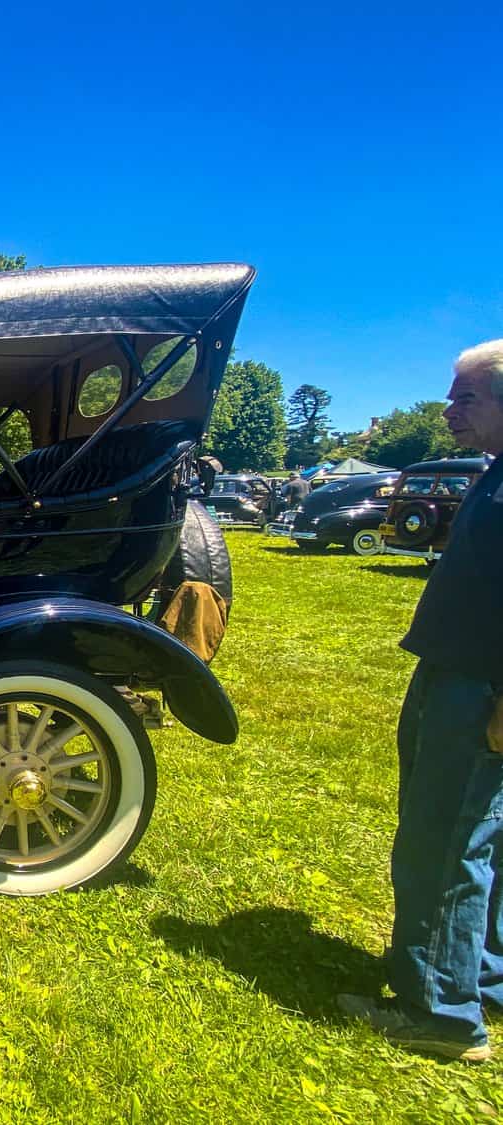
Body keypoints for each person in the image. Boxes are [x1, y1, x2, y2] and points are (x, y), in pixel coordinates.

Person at [339, 340, 503, 1062]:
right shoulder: (496, 472)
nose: (449, 410)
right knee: (476, 834)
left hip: (477, 684)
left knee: (445, 838)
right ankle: (484, 976)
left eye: (466, 398)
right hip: (455, 670)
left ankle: (441, 1010)